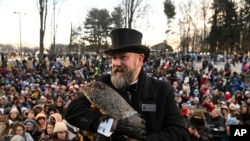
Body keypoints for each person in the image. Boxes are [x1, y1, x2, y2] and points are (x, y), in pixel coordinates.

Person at [65, 28, 189, 141]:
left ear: (140, 59)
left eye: (123, 57)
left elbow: (180, 132)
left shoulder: (161, 90)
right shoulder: (103, 83)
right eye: (114, 58)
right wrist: (114, 125)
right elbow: (72, 112)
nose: (117, 63)